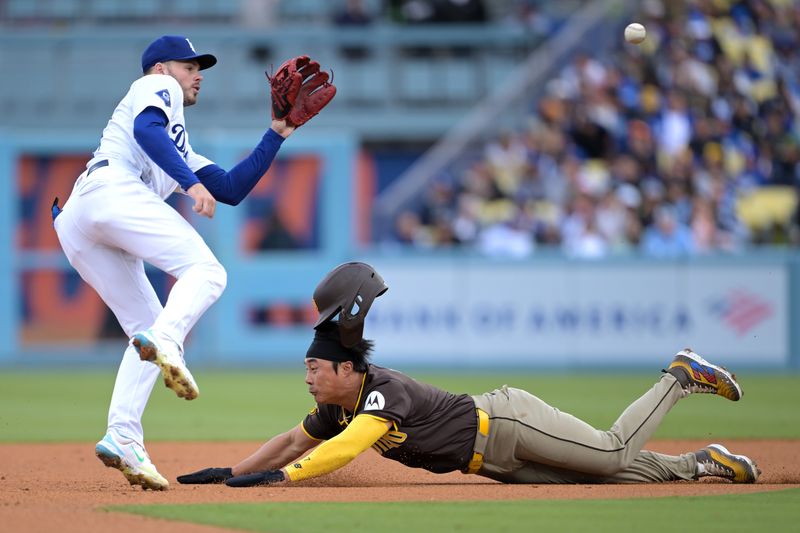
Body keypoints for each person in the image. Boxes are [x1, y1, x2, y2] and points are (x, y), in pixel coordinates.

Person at [178, 264, 760, 488]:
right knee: (611, 480)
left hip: (507, 422)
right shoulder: (336, 407)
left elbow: (350, 447)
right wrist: (234, 471)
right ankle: (702, 464)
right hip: (491, 463)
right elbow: (291, 441)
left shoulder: (383, 389)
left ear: (344, 369)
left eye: (313, 368)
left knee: (609, 455)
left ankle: (680, 375)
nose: (306, 378)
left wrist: (286, 481)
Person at [52, 35, 330, 491]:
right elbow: (146, 131)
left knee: (144, 327)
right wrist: (188, 183)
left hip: (79, 223)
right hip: (111, 190)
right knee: (207, 273)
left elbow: (231, 188)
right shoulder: (152, 89)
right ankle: (166, 342)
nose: (198, 73)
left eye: (199, 67)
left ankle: (123, 436)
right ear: (161, 68)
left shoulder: (177, 143)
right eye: (189, 66)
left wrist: (277, 132)